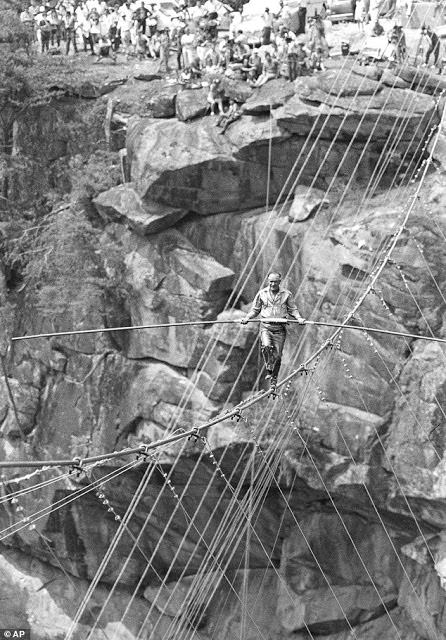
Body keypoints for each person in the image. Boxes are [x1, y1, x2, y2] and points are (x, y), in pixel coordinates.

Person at [241, 273, 305, 388]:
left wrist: (299, 318)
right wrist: (247, 318)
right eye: (270, 281)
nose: (272, 284)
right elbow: (255, 310)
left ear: (280, 281)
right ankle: (269, 368)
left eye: (275, 281)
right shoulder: (262, 294)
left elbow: (293, 309)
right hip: (266, 327)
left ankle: (274, 378)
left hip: (280, 329)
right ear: (268, 281)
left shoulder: (286, 294)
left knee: (278, 356)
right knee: (266, 346)